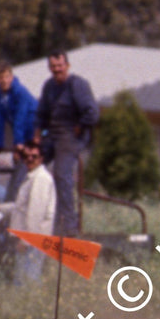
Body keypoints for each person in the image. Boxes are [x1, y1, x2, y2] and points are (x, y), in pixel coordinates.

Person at [35, 49, 98, 236]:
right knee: (27, 165)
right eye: (53, 66)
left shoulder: (77, 85)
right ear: (49, 68)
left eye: (60, 65)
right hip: (51, 135)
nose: (57, 70)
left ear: (67, 66)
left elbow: (92, 113)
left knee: (62, 174)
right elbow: (41, 114)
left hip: (70, 136)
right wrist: (36, 136)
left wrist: (80, 126)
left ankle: (69, 225)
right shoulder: (49, 86)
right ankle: (34, 216)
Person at [0, 140, 55, 281]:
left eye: (34, 156)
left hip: (34, 240)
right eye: (26, 156)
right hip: (30, 238)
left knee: (28, 280)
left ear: (41, 159)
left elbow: (35, 213)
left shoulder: (40, 179)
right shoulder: (31, 177)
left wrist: (26, 241)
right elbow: (22, 207)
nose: (29, 159)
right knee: (23, 278)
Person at [0, 60, 37, 198]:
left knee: (28, 162)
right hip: (20, 131)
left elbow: (21, 118)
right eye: (0, 77)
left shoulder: (21, 92)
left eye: (6, 76)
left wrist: (19, 142)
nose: (4, 80)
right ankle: (15, 197)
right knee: (18, 167)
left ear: (12, 76)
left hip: (34, 128)